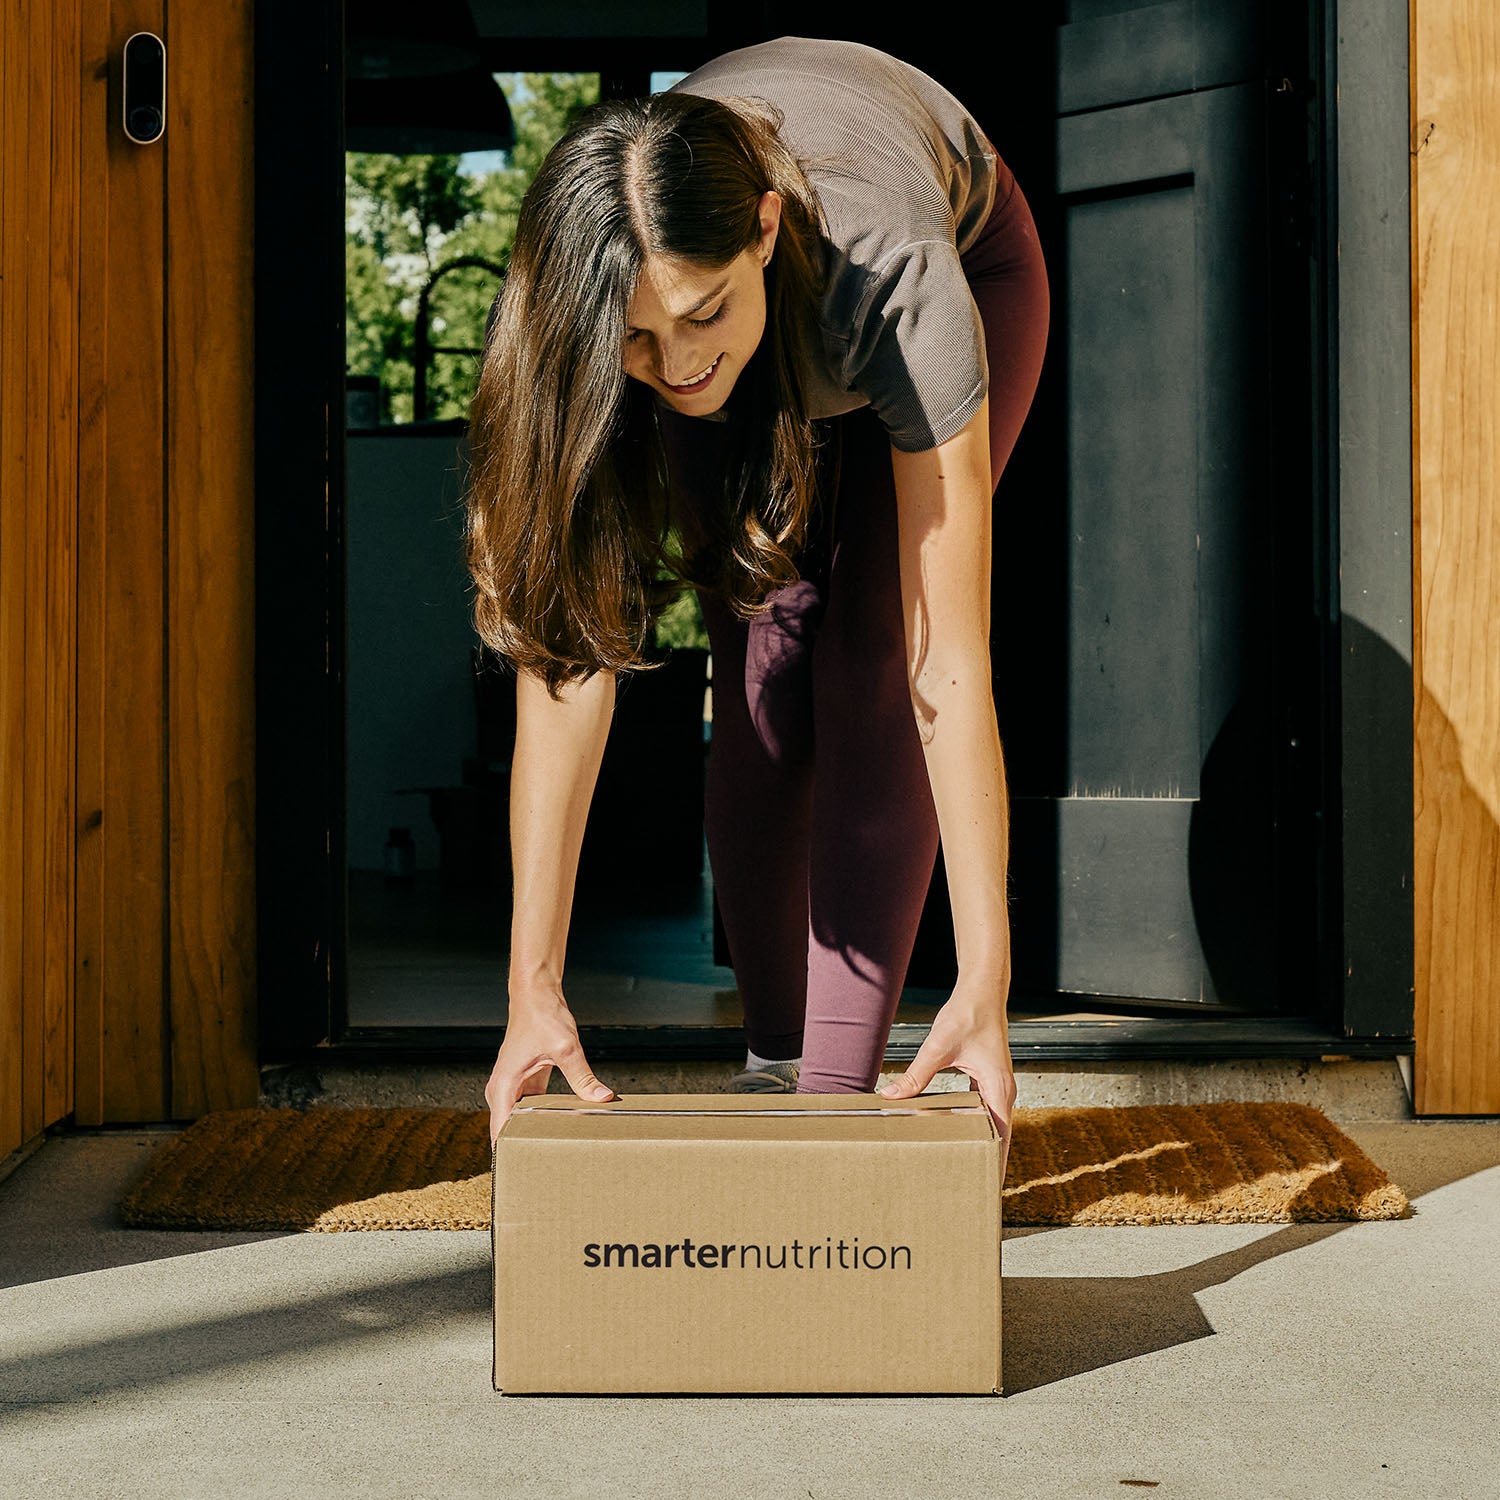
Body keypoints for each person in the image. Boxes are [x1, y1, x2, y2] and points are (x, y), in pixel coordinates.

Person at [465, 36, 1050, 1148]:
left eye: (698, 315)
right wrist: (528, 989)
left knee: (872, 645)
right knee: (765, 648)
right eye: (639, 337)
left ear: (766, 232)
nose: (676, 362)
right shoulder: (593, 315)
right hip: (758, 319)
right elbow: (569, 658)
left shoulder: (896, 276)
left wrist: (987, 980)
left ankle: (832, 1110)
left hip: (957, 263)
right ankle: (775, 1061)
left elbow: (948, 664)